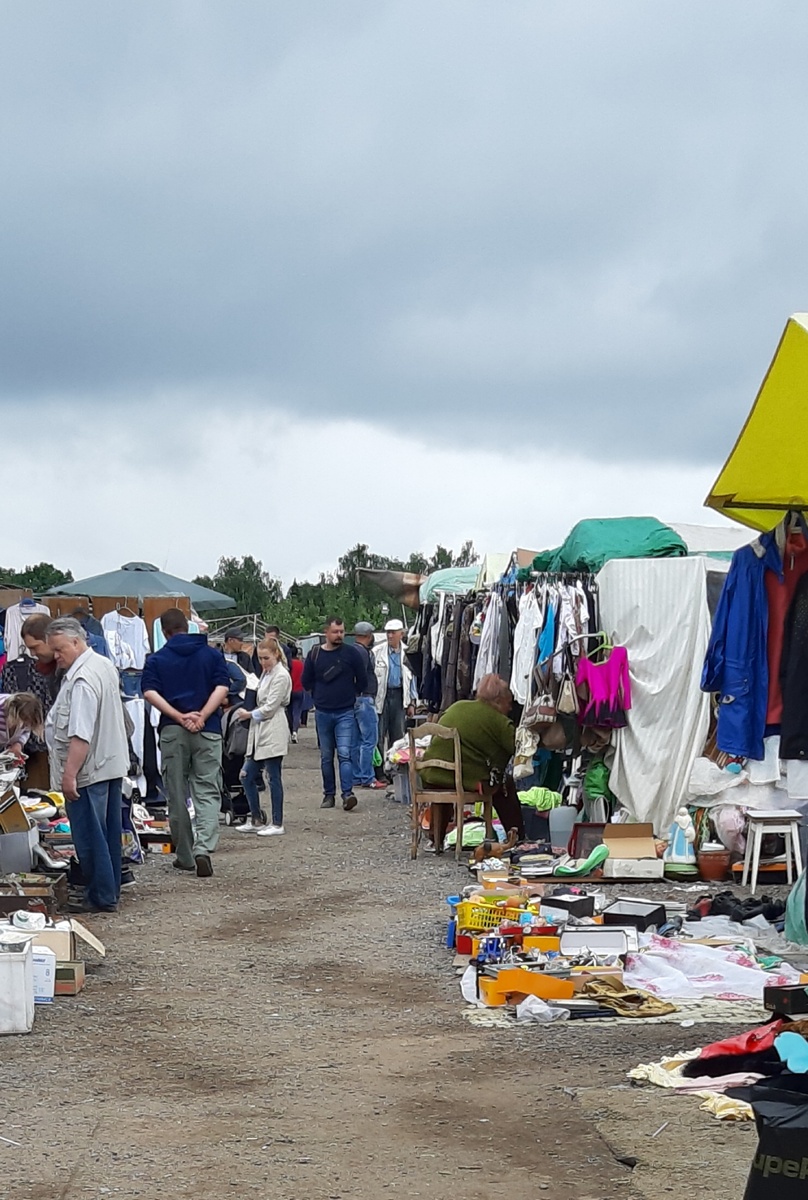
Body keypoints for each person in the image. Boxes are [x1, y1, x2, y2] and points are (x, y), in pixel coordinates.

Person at [46, 618, 130, 913]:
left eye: (59, 649)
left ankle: (100, 895)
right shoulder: (103, 665)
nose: (56, 656)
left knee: (90, 837)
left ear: (75, 642)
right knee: (107, 835)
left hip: (90, 770)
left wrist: (69, 775)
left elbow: (80, 733)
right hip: (109, 763)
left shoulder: (81, 681)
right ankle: (107, 890)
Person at [141, 608, 230, 877]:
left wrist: (179, 716)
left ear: (164, 631)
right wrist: (202, 715)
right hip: (208, 729)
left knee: (177, 793)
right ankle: (204, 847)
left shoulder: (157, 659)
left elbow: (149, 692)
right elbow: (222, 687)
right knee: (206, 790)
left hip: (173, 730)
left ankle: (185, 855)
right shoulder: (212, 654)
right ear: (187, 626)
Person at [420, 674, 524, 849]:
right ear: (499, 700)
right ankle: (517, 837)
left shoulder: (457, 707)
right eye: (509, 702)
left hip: (431, 775)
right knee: (505, 786)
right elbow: (516, 748)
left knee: (448, 782)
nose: (510, 707)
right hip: (461, 779)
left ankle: (436, 838)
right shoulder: (499, 721)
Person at [301, 617, 367, 811]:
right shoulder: (315, 655)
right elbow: (306, 681)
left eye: (342, 631)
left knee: (345, 754)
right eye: (335, 632)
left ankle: (348, 794)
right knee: (326, 756)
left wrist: (351, 694)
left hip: (345, 710)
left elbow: (362, 680)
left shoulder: (351, 654)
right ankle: (328, 795)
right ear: (326, 633)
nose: (339, 635)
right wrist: (318, 696)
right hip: (323, 712)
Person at [234, 636, 291, 836]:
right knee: (246, 775)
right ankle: (256, 817)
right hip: (260, 729)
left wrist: (249, 714)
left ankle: (277, 822)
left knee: (273, 776)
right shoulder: (267, 674)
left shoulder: (281, 675)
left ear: (276, 654)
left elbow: (271, 706)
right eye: (260, 658)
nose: (263, 662)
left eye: (266, 658)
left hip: (273, 726)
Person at [374, 618, 417, 760]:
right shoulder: (377, 651)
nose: (390, 636)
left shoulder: (408, 652)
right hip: (382, 697)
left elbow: (412, 680)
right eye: (388, 633)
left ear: (401, 634)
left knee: (398, 736)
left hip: (399, 696)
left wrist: (412, 703)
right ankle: (379, 771)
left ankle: (394, 769)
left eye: (393, 633)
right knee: (379, 735)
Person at [352, 622, 384, 790]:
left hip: (355, 700)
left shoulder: (351, 651)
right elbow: (361, 677)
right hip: (364, 699)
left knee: (356, 741)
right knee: (369, 740)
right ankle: (368, 777)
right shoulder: (363, 653)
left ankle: (356, 776)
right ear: (368, 635)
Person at [0, 692, 44, 757]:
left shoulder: (26, 719)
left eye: (27, 725)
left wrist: (18, 743)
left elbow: (26, 731)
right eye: (24, 723)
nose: (24, 726)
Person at [287, 646, 305, 742]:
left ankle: (290, 731)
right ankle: (295, 731)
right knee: (297, 712)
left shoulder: (287, 664)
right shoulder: (301, 664)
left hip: (288, 690)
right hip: (299, 689)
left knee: (289, 713)